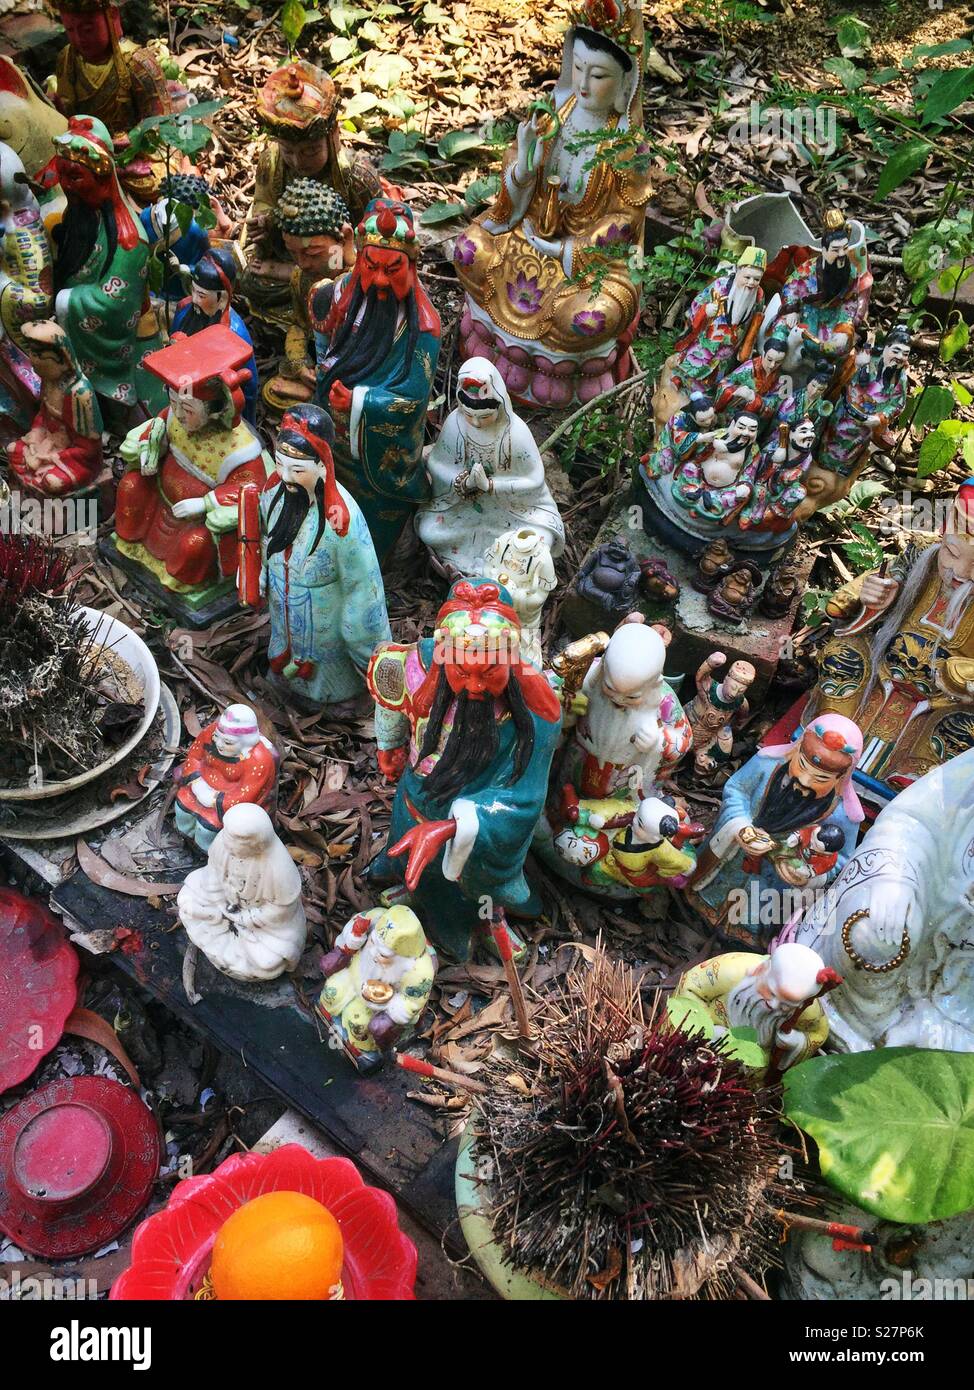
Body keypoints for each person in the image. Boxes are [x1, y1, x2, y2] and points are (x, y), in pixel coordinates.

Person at [454, 0, 650, 405]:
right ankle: (515, 360)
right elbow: (510, 197)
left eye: (598, 75)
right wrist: (525, 168)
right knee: (469, 251)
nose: (583, 84)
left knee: (587, 318)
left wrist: (565, 250)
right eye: (577, 68)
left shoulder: (628, 149)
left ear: (624, 84)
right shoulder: (550, 117)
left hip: (587, 267)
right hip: (522, 241)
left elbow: (624, 223)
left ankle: (545, 372)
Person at [366, 579, 562, 959]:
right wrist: (389, 744)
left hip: (477, 823)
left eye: (489, 673)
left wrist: (456, 827)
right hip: (416, 791)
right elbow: (390, 698)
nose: (474, 684)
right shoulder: (416, 666)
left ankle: (484, 918)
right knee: (408, 849)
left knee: (472, 884)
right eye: (462, 671)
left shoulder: (534, 712)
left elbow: (523, 797)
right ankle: (412, 890)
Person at [786, 745, 974, 1055]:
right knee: (871, 933)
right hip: (923, 902)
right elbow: (915, 820)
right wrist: (895, 879)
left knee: (930, 1051)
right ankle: (828, 1015)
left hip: (961, 1006)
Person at [805, 479, 974, 790]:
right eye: (952, 553)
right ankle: (831, 734)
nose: (962, 573)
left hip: (943, 701)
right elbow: (878, 584)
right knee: (842, 655)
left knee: (966, 730)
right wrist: (874, 594)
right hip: (882, 669)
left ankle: (916, 778)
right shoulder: (922, 554)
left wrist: (959, 676)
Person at [311, 198, 441, 561]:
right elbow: (322, 325)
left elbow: (413, 396)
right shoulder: (347, 294)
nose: (381, 280)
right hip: (334, 433)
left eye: (393, 269)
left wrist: (359, 401)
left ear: (411, 266)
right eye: (372, 267)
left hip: (377, 448)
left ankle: (371, 562)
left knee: (373, 515)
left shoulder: (424, 327)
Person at [113, 325, 269, 607]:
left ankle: (183, 580)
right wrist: (150, 446)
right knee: (131, 486)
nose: (179, 415)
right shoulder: (173, 416)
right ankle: (129, 543)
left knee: (195, 544)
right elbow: (158, 429)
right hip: (160, 494)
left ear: (215, 410)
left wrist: (205, 503)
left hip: (196, 519)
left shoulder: (240, 450)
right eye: (173, 402)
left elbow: (251, 490)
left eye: (188, 410)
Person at [251, 404, 391, 713]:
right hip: (284, 609)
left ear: (323, 465)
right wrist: (261, 569)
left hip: (326, 623)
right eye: (280, 464)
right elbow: (264, 536)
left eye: (298, 469)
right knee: (283, 650)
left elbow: (361, 584)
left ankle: (339, 697)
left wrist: (360, 635)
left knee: (326, 675)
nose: (286, 477)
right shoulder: (274, 494)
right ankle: (285, 680)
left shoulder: (342, 520)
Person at [687, 714, 865, 946]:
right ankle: (693, 911)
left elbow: (843, 860)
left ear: (842, 777)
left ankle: (742, 942)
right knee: (707, 894)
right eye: (802, 765)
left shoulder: (846, 814)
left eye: (821, 778)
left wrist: (810, 874)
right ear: (796, 749)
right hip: (733, 855)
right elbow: (737, 790)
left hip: (774, 883)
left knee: (753, 918)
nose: (806, 780)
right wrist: (740, 825)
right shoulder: (764, 764)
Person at [50, 116, 166, 419]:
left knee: (137, 417)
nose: (67, 187)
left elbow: (113, 304)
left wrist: (64, 301)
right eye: (63, 177)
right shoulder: (79, 217)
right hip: (72, 332)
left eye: (75, 177)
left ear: (102, 179)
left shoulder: (130, 240)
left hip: (124, 346)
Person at [416, 356, 565, 577]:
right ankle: (468, 566)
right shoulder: (454, 425)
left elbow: (534, 480)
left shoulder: (516, 433)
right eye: (469, 415)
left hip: (514, 511)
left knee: (539, 539)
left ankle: (501, 570)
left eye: (484, 416)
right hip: (463, 509)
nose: (475, 423)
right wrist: (462, 481)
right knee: (429, 530)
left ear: (500, 405)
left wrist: (491, 485)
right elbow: (437, 465)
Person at [53, 0, 171, 203]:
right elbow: (67, 114)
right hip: (86, 149)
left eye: (88, 29)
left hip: (132, 151)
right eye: (70, 30)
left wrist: (129, 140)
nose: (79, 38)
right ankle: (110, 174)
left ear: (113, 17)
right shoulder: (67, 59)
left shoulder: (138, 63)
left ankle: (115, 174)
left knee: (155, 182)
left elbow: (161, 121)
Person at [177, 803, 306, 984]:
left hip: (263, 925)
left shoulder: (277, 868)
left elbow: (280, 911)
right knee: (189, 896)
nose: (228, 842)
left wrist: (246, 918)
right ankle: (219, 936)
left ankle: (235, 951)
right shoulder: (223, 842)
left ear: (256, 841)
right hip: (223, 901)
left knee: (269, 960)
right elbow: (212, 871)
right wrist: (218, 898)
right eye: (228, 835)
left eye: (238, 840)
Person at [317, 906, 436, 1070]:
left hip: (384, 1003)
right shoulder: (374, 918)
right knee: (332, 991)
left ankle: (363, 1049)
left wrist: (390, 1016)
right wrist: (346, 946)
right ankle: (332, 1018)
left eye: (384, 955)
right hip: (356, 973)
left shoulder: (417, 969)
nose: (374, 953)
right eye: (373, 943)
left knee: (357, 1021)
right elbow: (353, 931)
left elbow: (411, 1001)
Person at [169, 248, 258, 425]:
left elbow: (248, 386)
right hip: (181, 394)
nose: (194, 299)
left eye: (201, 295)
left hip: (214, 407)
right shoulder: (185, 311)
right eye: (193, 291)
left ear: (222, 298)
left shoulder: (234, 334)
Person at [174, 704, 278, 852]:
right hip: (200, 783)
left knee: (207, 827)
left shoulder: (259, 760)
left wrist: (214, 799)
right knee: (182, 806)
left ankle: (206, 851)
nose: (219, 744)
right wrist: (196, 780)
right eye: (217, 737)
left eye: (228, 742)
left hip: (225, 803)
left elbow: (247, 793)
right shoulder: (211, 733)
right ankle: (183, 834)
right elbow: (194, 756)